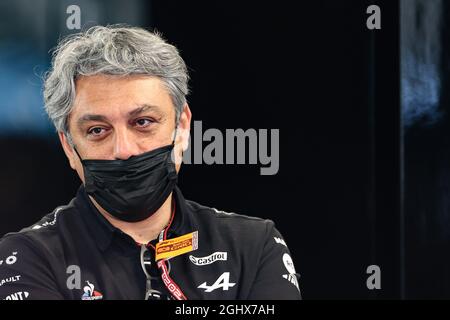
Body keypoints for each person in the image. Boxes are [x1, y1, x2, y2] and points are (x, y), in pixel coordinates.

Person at [0, 25, 301, 300]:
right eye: (97, 131)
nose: (124, 149)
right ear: (68, 147)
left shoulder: (252, 246)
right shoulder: (28, 257)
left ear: (181, 127)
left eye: (143, 122)